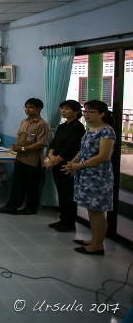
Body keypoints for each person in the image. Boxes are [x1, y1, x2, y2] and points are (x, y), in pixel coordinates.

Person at [63, 100, 115, 255]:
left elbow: (103, 156)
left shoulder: (107, 131)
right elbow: (83, 150)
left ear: (102, 114)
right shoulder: (90, 129)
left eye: (90, 112)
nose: (86, 114)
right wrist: (73, 163)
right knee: (91, 210)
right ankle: (94, 239)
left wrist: (80, 165)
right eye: (85, 112)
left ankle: (98, 245)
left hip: (98, 177)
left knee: (98, 211)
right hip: (85, 174)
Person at [0, 98, 49, 215]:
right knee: (18, 184)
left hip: (33, 160)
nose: (27, 110)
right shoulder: (24, 121)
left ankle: (31, 208)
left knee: (32, 186)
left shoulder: (42, 124)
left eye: (30, 107)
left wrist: (23, 148)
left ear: (38, 109)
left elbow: (41, 143)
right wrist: (17, 146)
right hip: (20, 158)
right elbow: (19, 135)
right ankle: (12, 206)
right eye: (26, 107)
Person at [44, 100, 85, 233]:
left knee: (68, 194)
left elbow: (71, 147)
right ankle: (62, 219)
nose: (64, 111)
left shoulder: (78, 128)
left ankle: (69, 222)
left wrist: (55, 160)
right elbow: (54, 143)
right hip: (56, 163)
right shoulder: (62, 126)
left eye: (67, 109)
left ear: (76, 111)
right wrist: (50, 155)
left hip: (68, 165)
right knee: (61, 192)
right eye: (63, 109)